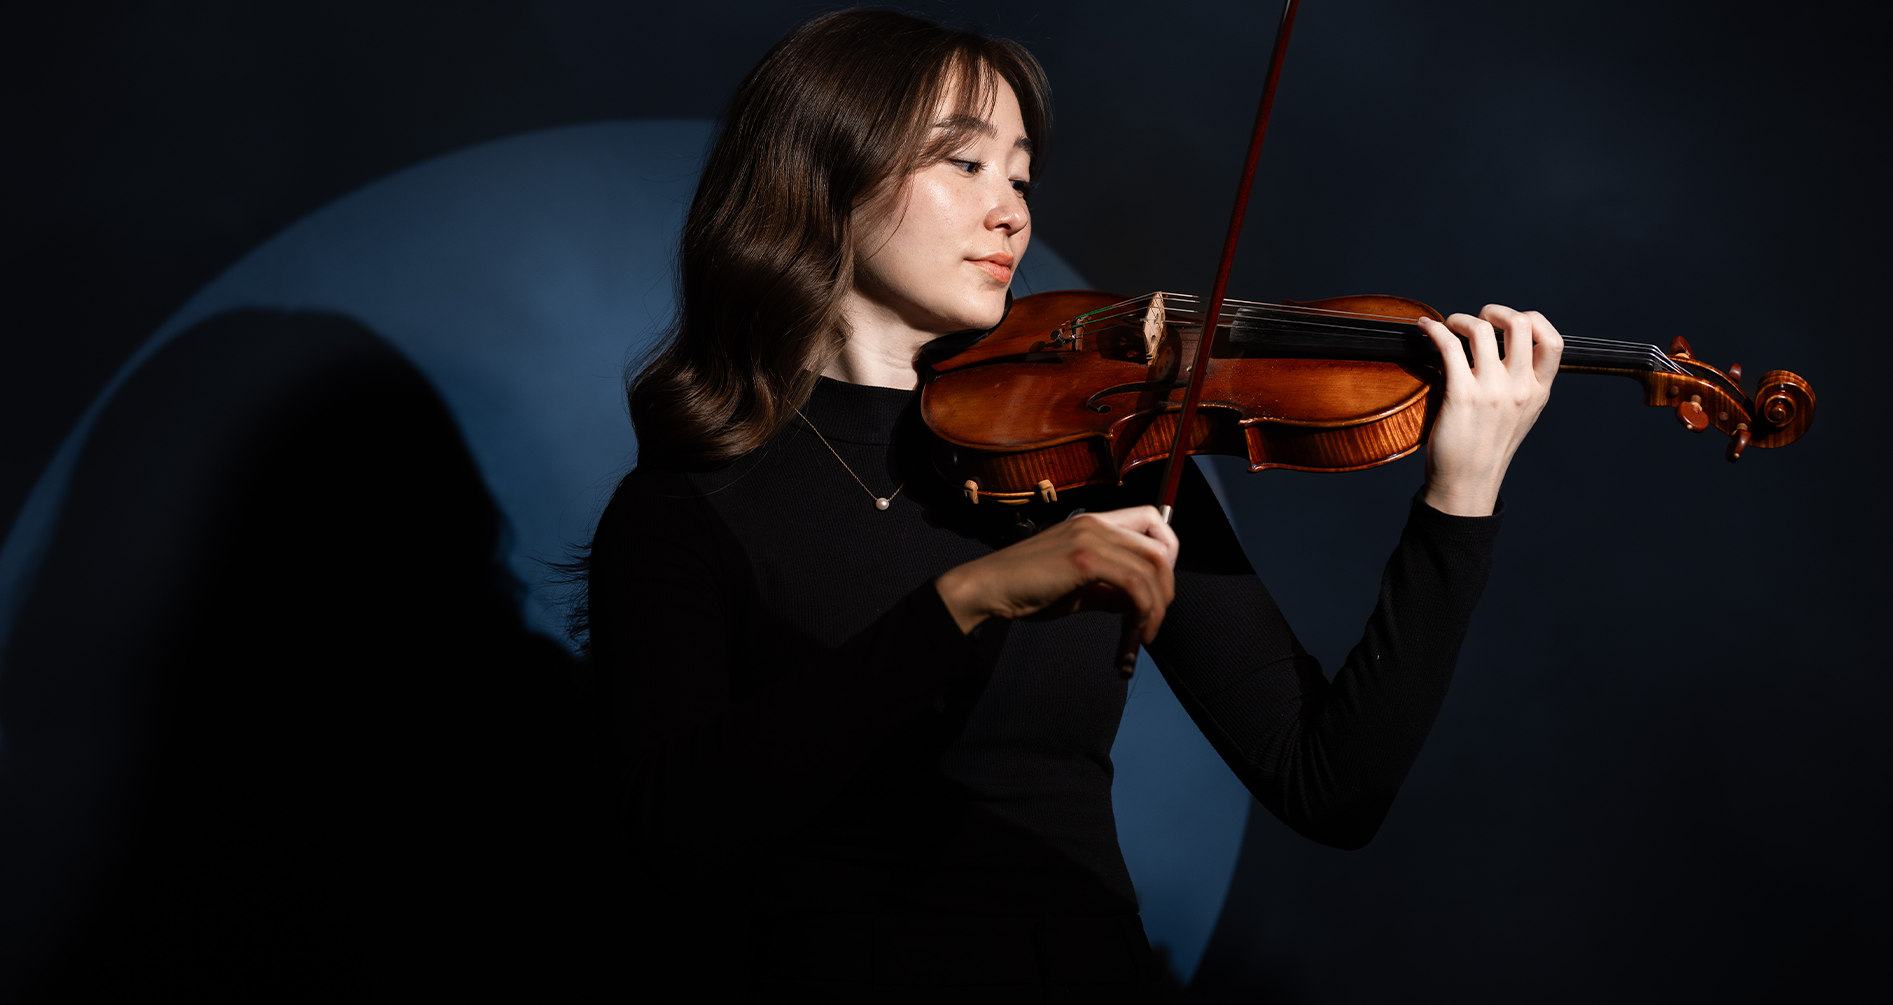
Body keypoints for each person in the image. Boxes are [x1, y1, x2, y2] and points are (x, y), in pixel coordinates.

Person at [584, 8, 1561, 1000]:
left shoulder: (1106, 454)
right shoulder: (683, 510)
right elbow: (675, 828)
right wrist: (971, 597)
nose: (1010, 210)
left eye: (1019, 175)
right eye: (963, 164)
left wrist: (1458, 502)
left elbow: (1329, 786)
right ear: (821, 170)